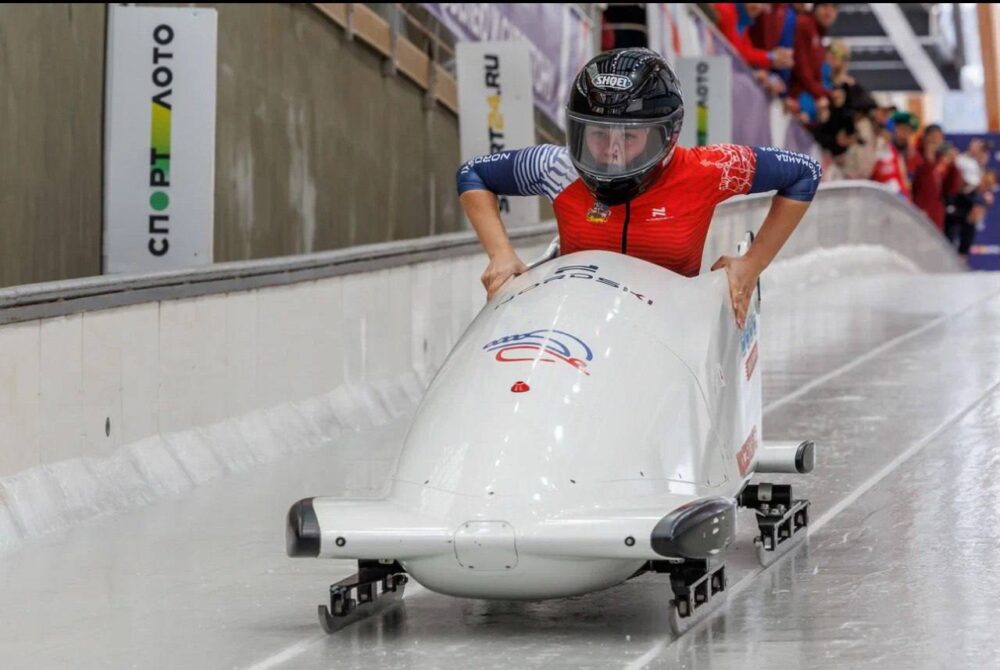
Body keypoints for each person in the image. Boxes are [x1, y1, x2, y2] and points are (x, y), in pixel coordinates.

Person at [456, 48, 821, 329]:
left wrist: (752, 265)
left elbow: (804, 173)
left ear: (665, 136)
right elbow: (473, 174)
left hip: (670, 332)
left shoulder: (707, 170)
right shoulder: (558, 167)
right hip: (578, 327)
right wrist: (500, 253)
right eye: (598, 135)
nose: (612, 152)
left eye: (629, 137)